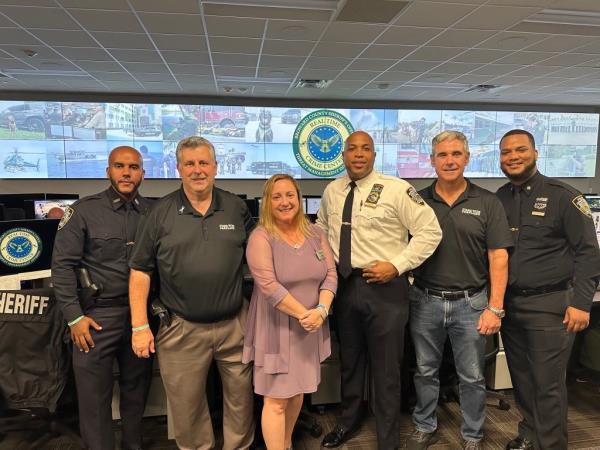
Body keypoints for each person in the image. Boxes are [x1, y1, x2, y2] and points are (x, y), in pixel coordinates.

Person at [128, 136, 255, 450]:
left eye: (203, 163)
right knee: (187, 409)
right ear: (178, 168)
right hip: (181, 328)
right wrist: (139, 326)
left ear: (215, 167)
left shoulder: (235, 207)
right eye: (190, 164)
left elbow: (260, 256)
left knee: (242, 402)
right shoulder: (159, 213)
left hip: (236, 325)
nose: (198, 170)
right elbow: (140, 271)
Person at [318, 130, 442, 450]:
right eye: (352, 149)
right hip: (345, 287)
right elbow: (321, 232)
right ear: (343, 155)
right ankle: (348, 421)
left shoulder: (397, 189)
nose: (358, 154)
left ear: (375, 155)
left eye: (366, 149)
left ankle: (388, 439)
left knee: (387, 370)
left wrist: (398, 265)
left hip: (385, 288)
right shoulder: (333, 190)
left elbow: (430, 232)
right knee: (351, 361)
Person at [407, 131, 512, 450]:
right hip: (425, 300)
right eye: (442, 155)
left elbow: (498, 256)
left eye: (456, 154)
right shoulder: (417, 200)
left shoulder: (487, 202)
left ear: (467, 158)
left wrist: (495, 308)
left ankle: (473, 435)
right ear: (432, 160)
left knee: (472, 376)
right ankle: (425, 426)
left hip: (472, 304)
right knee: (425, 372)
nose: (449, 160)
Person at [496, 129, 600, 450]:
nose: (513, 157)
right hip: (511, 306)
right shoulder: (499, 198)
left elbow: (588, 252)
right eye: (506, 152)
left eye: (520, 150)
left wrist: (581, 303)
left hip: (551, 305)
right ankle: (530, 435)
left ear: (536, 153)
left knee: (548, 385)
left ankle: (552, 445)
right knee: (523, 381)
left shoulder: (563, 197)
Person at [51, 146, 152, 450]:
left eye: (133, 167)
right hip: (95, 318)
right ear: (108, 171)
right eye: (119, 166)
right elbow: (62, 266)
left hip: (140, 318)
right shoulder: (84, 211)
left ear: (142, 173)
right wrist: (74, 317)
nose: (126, 172)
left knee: (136, 395)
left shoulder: (153, 213)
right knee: (95, 402)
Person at [243, 173, 337, 450]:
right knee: (276, 400)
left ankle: (285, 445)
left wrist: (321, 309)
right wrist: (306, 315)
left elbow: (330, 275)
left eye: (290, 195)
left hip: (310, 327)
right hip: (278, 329)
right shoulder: (261, 237)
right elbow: (269, 287)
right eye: (277, 196)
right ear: (267, 203)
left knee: (297, 393)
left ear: (298, 197)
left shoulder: (315, 233)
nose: (285, 202)